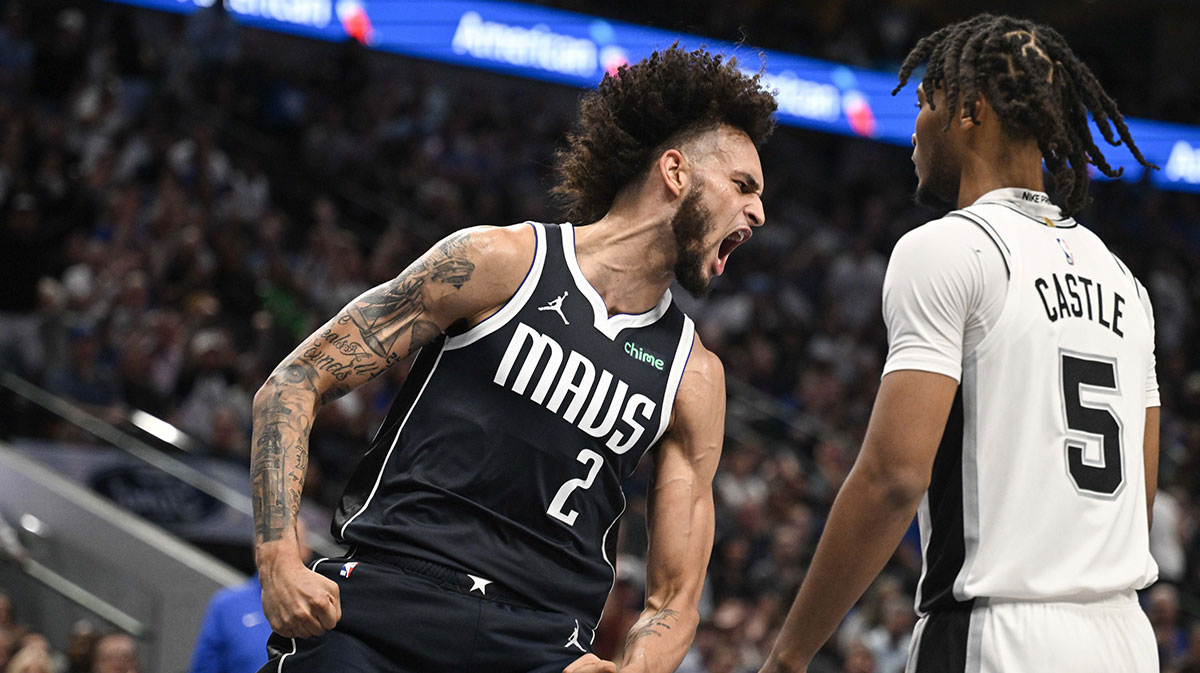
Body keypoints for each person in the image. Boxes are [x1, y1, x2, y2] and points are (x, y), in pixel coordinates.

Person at [251, 45, 776, 673]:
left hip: (536, 646)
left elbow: (674, 599)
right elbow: (294, 382)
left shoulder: (694, 376)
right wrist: (279, 560)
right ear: (675, 172)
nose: (759, 212)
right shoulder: (499, 263)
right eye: (742, 186)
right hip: (384, 603)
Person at [761, 14, 1159, 673]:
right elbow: (1134, 503)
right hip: (1124, 637)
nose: (913, 127)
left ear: (971, 111)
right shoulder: (1127, 284)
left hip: (997, 635)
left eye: (926, 102)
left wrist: (790, 652)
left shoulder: (950, 247)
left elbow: (892, 478)